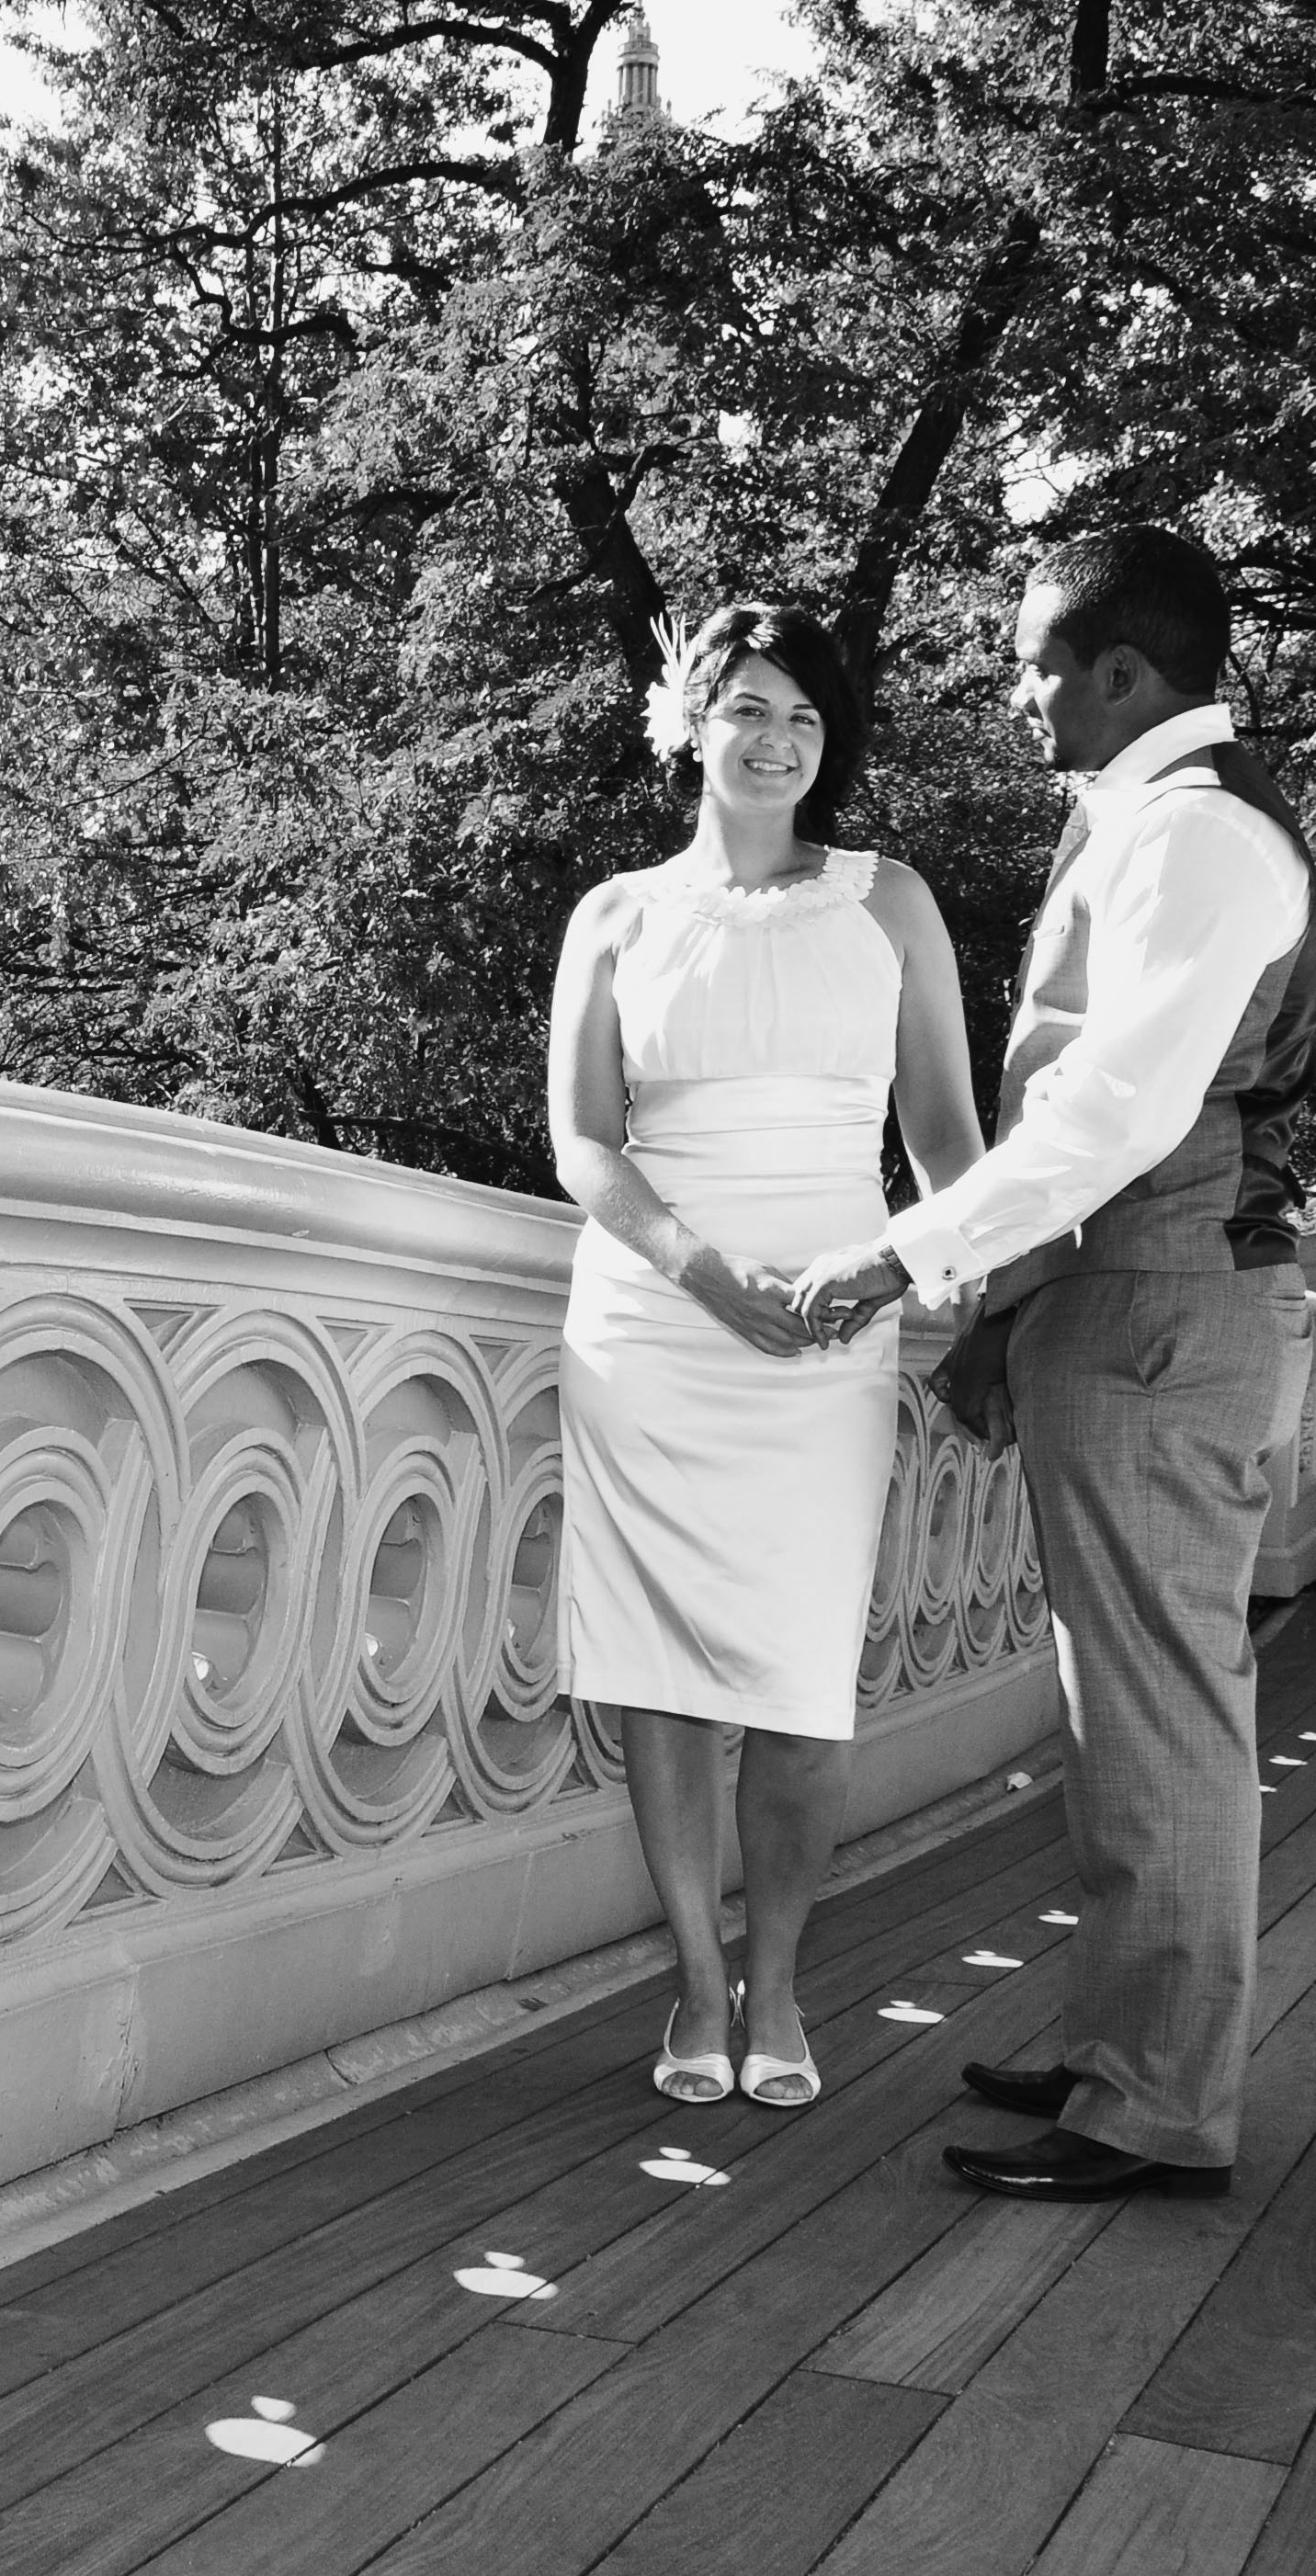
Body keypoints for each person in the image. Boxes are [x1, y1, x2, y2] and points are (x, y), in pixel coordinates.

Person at [797, 526, 1316, 2202]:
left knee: (1160, 1715)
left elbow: (1114, 1110)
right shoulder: (1154, 823)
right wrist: (1009, 1309)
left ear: (1119, 670)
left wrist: (908, 1251)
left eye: (1034, 664)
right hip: (1130, 1300)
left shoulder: (1199, 837)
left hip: (1166, 1306)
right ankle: (1124, 2050)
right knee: (1124, 1713)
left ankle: (1157, 2102)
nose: (1015, 693)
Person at [549, 604, 988, 2112]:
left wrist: (960, 1277)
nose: (776, 739)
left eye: (803, 714)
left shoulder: (890, 901)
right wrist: (697, 1268)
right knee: (662, 1673)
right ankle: (693, 1983)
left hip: (828, 1326)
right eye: (746, 707)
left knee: (804, 1678)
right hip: (654, 1324)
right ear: (690, 723)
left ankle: (780, 1983)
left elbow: (943, 1133)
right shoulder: (613, 915)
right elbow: (582, 1141)